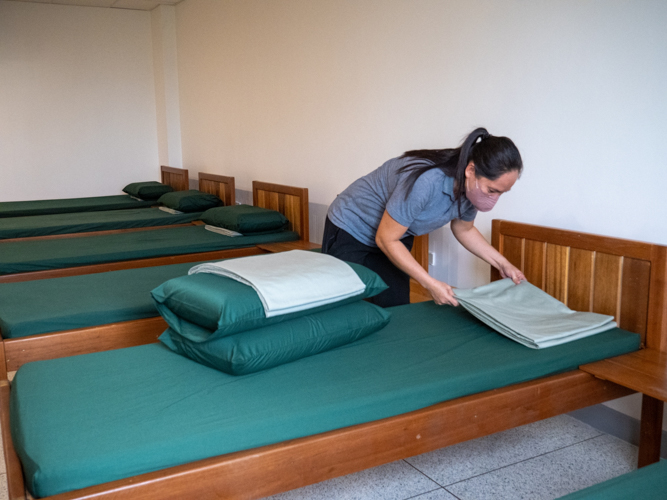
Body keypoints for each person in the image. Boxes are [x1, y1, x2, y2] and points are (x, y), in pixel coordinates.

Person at [322, 127, 526, 308]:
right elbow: (386, 238)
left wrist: (502, 264)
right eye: (492, 190)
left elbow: (464, 229)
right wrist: (430, 284)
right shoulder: (426, 182)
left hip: (394, 234)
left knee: (396, 307)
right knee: (341, 304)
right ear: (470, 170)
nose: (494, 198)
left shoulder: (470, 193)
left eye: (501, 193)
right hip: (352, 225)